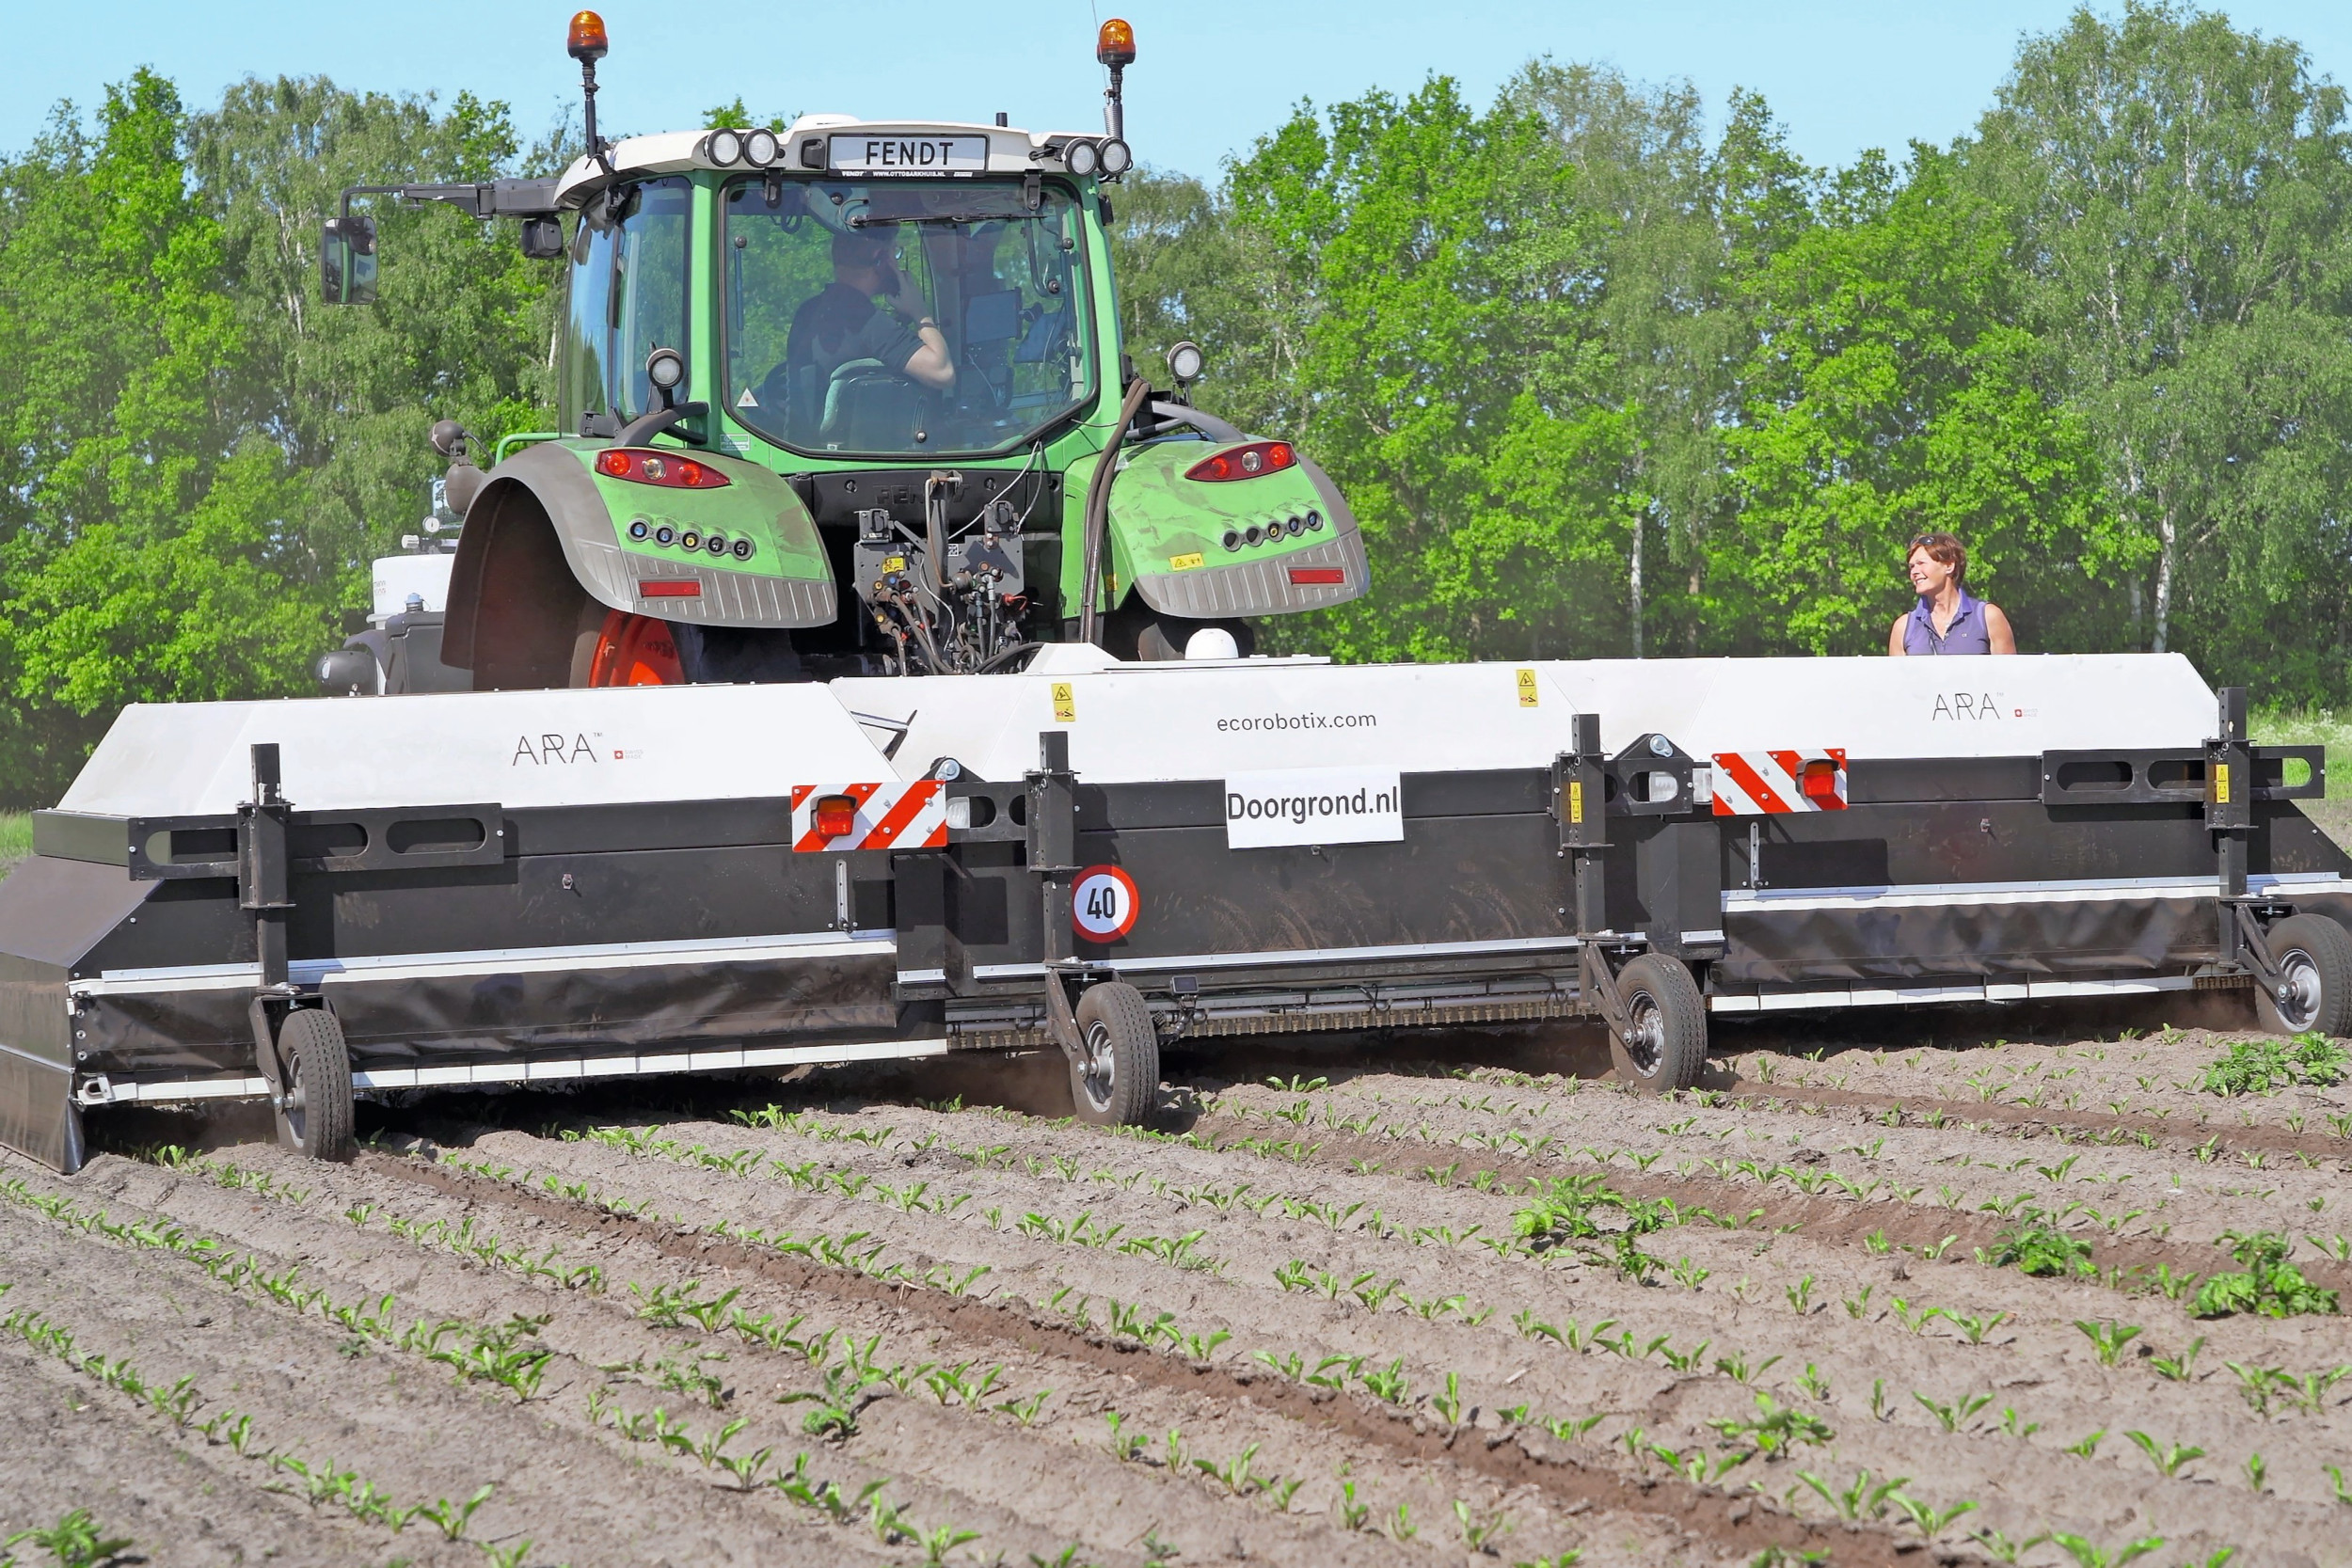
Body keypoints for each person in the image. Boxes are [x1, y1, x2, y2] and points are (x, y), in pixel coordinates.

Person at [783, 229, 955, 395]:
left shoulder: (807, 312)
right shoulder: (865, 321)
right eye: (895, 253)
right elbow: (943, 373)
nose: (897, 263)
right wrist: (920, 312)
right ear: (880, 259)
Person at [1887, 531, 2014, 656]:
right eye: (1912, 567)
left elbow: (2009, 674)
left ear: (1949, 566)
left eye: (1921, 563)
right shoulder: (1903, 627)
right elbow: (1896, 677)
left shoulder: (1988, 617)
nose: (1914, 572)